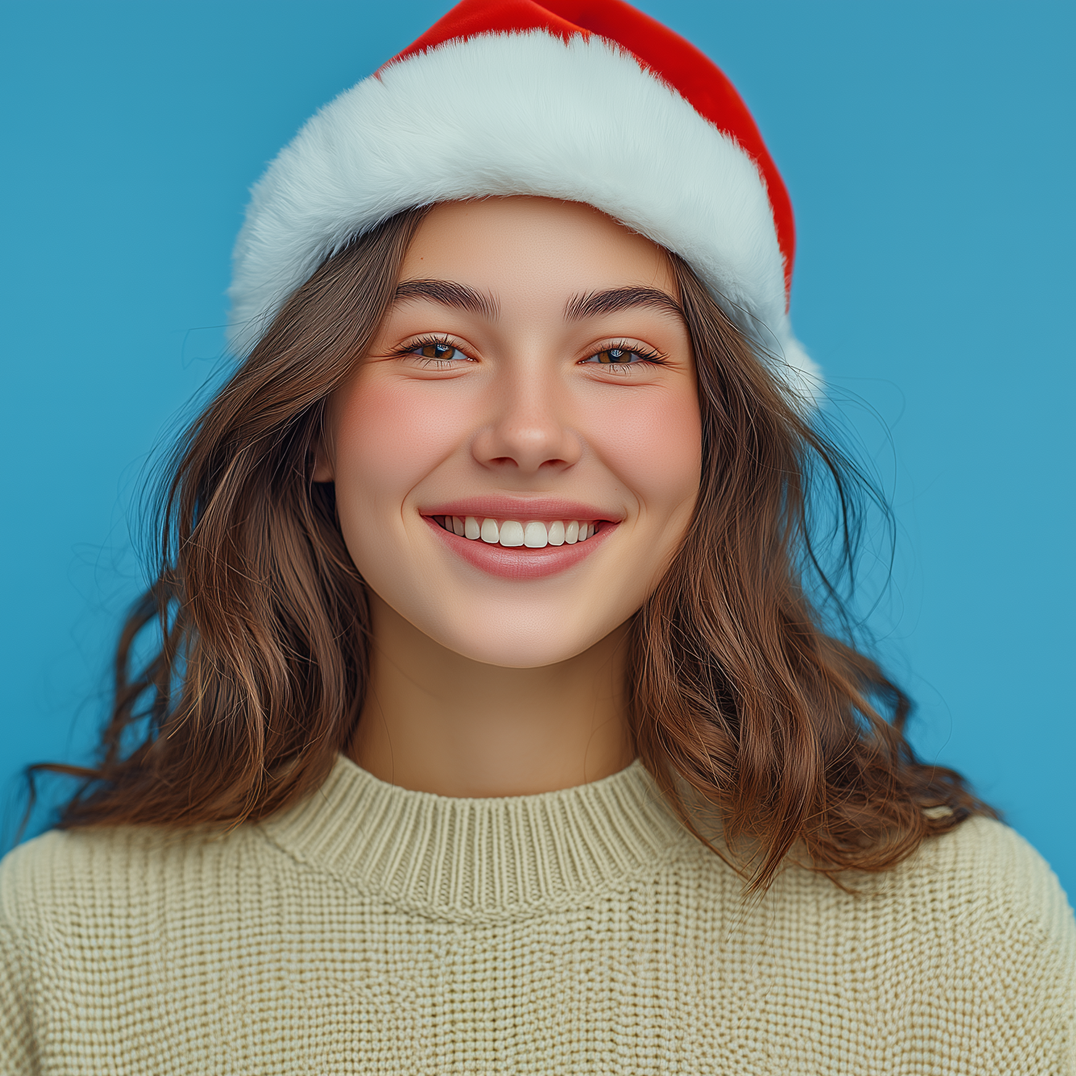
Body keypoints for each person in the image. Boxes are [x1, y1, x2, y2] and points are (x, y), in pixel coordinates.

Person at [1, 0, 1073, 1071]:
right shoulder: (54, 947)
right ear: (317, 421)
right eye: (435, 347)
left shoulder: (969, 938)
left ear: (715, 437)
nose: (526, 434)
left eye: (617, 354)